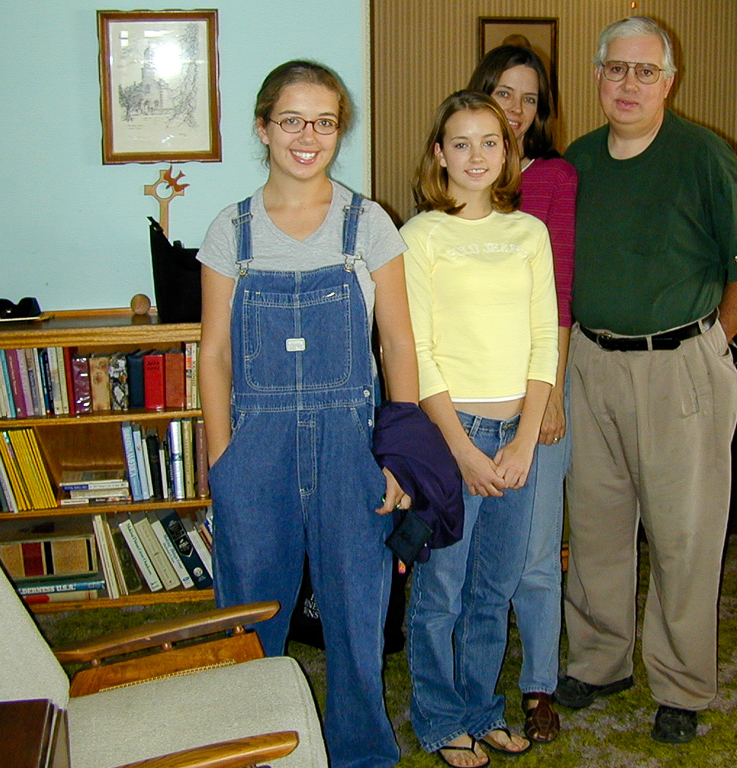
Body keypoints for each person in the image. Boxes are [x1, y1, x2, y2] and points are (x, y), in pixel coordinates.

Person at [554, 17, 737, 746]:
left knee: (684, 536)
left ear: (669, 82)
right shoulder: (577, 161)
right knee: (595, 527)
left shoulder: (706, 157)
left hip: (680, 367)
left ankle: (681, 684)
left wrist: (707, 346)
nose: (628, 85)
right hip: (590, 364)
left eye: (645, 72)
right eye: (616, 69)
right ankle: (599, 660)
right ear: (597, 76)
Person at [197, 60, 417, 768]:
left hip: (351, 447)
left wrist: (401, 452)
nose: (307, 135)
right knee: (253, 613)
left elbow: (398, 342)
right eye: (292, 119)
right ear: (264, 127)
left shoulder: (369, 225)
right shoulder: (232, 230)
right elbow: (214, 356)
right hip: (255, 447)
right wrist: (224, 462)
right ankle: (254, 747)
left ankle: (359, 751)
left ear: (338, 130)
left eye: (324, 122)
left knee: (357, 614)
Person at [401, 90, 558, 768]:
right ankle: (437, 719)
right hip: (449, 435)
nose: (475, 156)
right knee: (440, 591)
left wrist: (524, 439)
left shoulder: (529, 233)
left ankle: (479, 709)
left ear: (508, 151)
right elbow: (419, 352)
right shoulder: (420, 236)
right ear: (440, 153)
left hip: (516, 432)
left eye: (489, 142)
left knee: (494, 590)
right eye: (460, 143)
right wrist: (462, 449)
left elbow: (543, 339)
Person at [467, 45, 576, 743]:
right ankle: (465, 685)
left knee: (536, 549)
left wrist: (556, 391)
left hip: (539, 385)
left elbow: (560, 294)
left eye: (530, 98)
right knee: (471, 555)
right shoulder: (460, 175)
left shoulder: (554, 178)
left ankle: (539, 684)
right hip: (470, 399)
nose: (516, 109)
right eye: (504, 93)